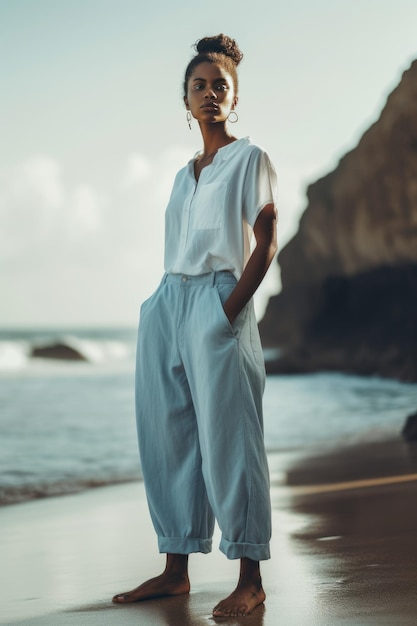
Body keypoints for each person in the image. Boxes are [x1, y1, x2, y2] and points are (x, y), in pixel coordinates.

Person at [112, 33, 278, 618]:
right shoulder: (184, 175)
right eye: (199, 86)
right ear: (186, 100)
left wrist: (226, 312)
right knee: (168, 437)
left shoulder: (249, 158)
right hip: (167, 303)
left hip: (215, 299)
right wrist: (162, 307)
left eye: (220, 87)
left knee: (232, 440)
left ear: (235, 98)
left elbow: (266, 243)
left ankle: (250, 576)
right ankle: (175, 569)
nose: (209, 94)